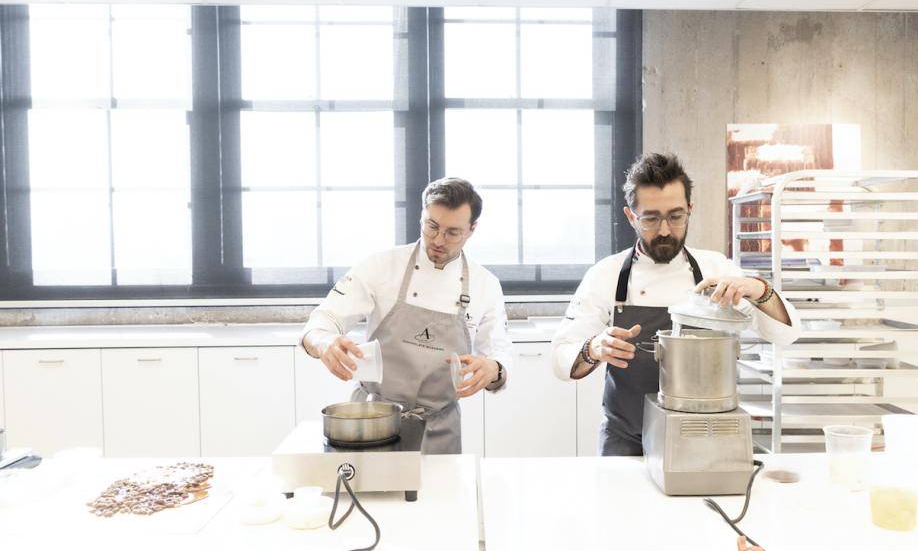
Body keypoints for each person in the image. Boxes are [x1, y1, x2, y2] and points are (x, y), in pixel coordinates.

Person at [551, 153, 801, 456]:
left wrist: (758, 288)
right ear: (632, 217)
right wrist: (593, 348)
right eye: (651, 218)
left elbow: (786, 334)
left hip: (703, 441)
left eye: (676, 216)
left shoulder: (715, 268)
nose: (666, 230)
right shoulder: (606, 274)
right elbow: (562, 360)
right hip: (626, 443)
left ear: (690, 211)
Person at [301, 177, 513, 454]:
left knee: (441, 497)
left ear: (472, 229)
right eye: (432, 226)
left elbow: (500, 352)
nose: (438, 240)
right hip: (371, 421)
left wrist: (493, 369)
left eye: (452, 232)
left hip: (439, 429)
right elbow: (322, 321)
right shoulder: (380, 266)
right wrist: (323, 342)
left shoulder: (485, 284)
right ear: (422, 216)